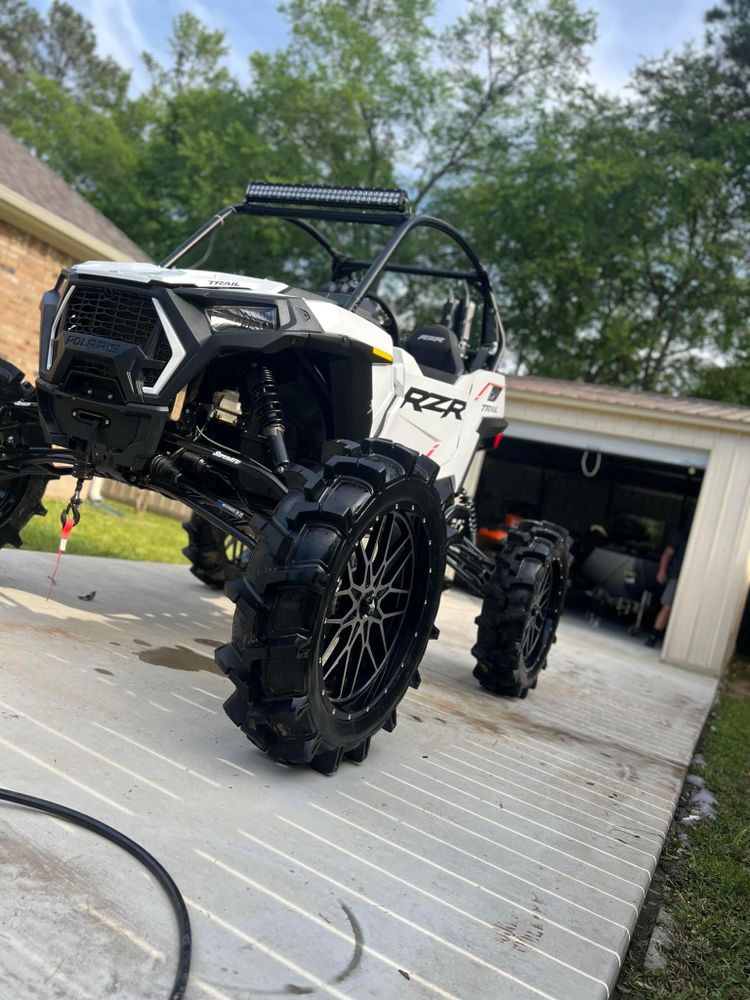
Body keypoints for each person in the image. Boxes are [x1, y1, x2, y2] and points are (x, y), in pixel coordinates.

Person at [645, 529, 688, 647]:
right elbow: (667, 553)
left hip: (694, 580)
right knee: (667, 605)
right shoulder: (682, 535)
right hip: (676, 576)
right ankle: (654, 636)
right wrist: (661, 570)